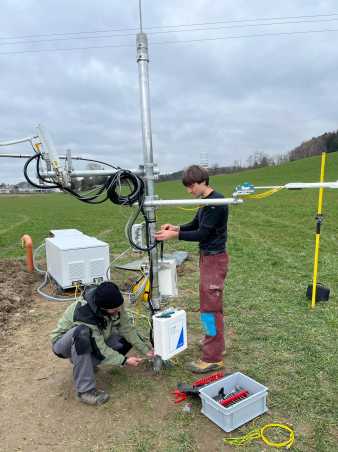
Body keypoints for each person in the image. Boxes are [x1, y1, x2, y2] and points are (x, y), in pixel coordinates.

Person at [155, 165, 229, 373]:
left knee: (210, 310)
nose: (189, 191)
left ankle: (212, 357)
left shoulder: (216, 203)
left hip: (214, 261)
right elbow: (195, 224)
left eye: (191, 186)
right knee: (210, 307)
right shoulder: (207, 202)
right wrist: (177, 228)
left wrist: (174, 236)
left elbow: (202, 234)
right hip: (209, 259)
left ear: (202, 181)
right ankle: (214, 344)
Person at [51, 281, 153, 405]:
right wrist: (124, 360)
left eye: (119, 307)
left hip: (92, 340)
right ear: (102, 308)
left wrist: (146, 350)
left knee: (123, 340)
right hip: (63, 344)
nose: (117, 311)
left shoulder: (114, 302)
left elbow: (127, 329)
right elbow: (101, 349)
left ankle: (85, 363)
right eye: (113, 310)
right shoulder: (85, 313)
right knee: (82, 333)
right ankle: (85, 391)